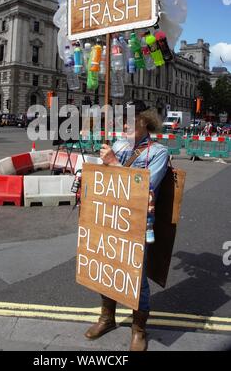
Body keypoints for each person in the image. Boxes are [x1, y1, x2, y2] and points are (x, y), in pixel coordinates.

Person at [84, 100, 169, 352]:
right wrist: (98, 166)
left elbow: (144, 188)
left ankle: (139, 330)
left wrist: (113, 163)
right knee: (106, 267)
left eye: (131, 118)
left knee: (135, 276)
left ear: (145, 121)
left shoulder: (158, 153)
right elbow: (103, 181)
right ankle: (107, 318)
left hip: (136, 223)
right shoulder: (118, 145)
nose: (125, 124)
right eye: (122, 119)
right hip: (108, 219)